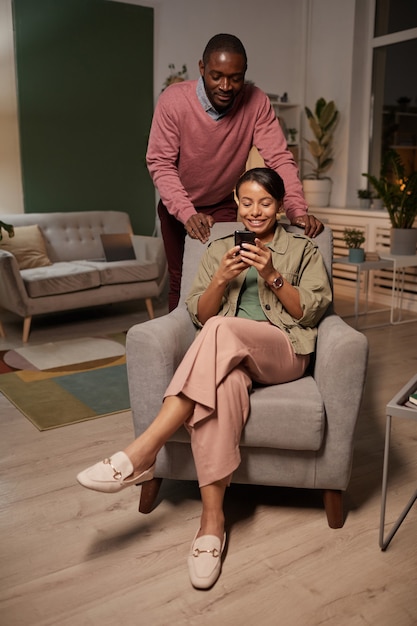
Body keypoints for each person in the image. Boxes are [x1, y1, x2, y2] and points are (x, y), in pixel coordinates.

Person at [77, 168, 332, 590]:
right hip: (227, 359)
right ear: (236, 199)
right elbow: (199, 313)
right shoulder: (217, 247)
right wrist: (220, 279)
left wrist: (272, 274)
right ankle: (212, 524)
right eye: (247, 202)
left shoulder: (302, 248)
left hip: (284, 353)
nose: (255, 212)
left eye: (265, 203)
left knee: (220, 331)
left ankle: (143, 451)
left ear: (280, 206)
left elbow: (312, 311)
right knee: (221, 385)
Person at [146, 33, 324, 311]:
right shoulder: (174, 100)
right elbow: (160, 163)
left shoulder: (256, 102)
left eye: (235, 78)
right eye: (216, 76)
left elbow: (279, 158)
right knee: (181, 281)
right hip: (178, 207)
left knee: (229, 278)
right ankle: (181, 348)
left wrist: (297, 210)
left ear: (244, 74)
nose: (226, 86)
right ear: (202, 68)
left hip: (223, 205)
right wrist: (186, 213)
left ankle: (221, 342)